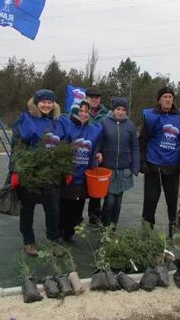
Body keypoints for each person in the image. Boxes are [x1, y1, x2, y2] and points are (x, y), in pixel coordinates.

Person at [9, 89, 71, 256]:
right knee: (27, 209)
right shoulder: (25, 120)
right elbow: (17, 147)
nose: (46, 105)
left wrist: (67, 169)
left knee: (53, 210)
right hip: (29, 173)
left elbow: (67, 146)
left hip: (51, 174)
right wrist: (14, 171)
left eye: (49, 102)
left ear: (54, 104)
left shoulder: (60, 122)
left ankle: (54, 242)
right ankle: (29, 242)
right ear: (36, 103)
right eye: (43, 101)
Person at [139, 87, 180, 238]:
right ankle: (146, 231)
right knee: (150, 200)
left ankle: (174, 232)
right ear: (159, 100)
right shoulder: (151, 116)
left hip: (173, 169)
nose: (168, 99)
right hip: (153, 167)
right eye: (164, 97)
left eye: (170, 97)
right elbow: (142, 141)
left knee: (173, 202)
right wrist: (142, 161)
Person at [60, 100, 102, 242]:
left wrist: (98, 153)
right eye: (80, 111)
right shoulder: (67, 127)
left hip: (84, 175)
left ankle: (69, 233)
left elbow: (97, 146)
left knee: (78, 207)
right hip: (68, 174)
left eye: (86, 111)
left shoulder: (94, 130)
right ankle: (60, 232)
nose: (83, 114)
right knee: (64, 205)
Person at [97, 97, 140, 228]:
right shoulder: (104, 122)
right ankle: (105, 228)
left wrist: (135, 166)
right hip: (108, 169)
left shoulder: (130, 125)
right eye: (118, 109)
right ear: (113, 109)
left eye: (123, 110)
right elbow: (98, 142)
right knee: (109, 201)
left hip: (123, 169)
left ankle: (113, 227)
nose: (120, 112)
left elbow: (135, 147)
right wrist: (97, 154)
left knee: (118, 202)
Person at [84, 86, 108, 225]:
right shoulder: (79, 112)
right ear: (86, 98)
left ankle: (94, 215)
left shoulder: (106, 115)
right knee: (80, 186)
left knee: (97, 186)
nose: (94, 99)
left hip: (99, 155)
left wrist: (102, 152)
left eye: (96, 97)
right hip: (83, 153)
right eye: (91, 96)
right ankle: (75, 216)